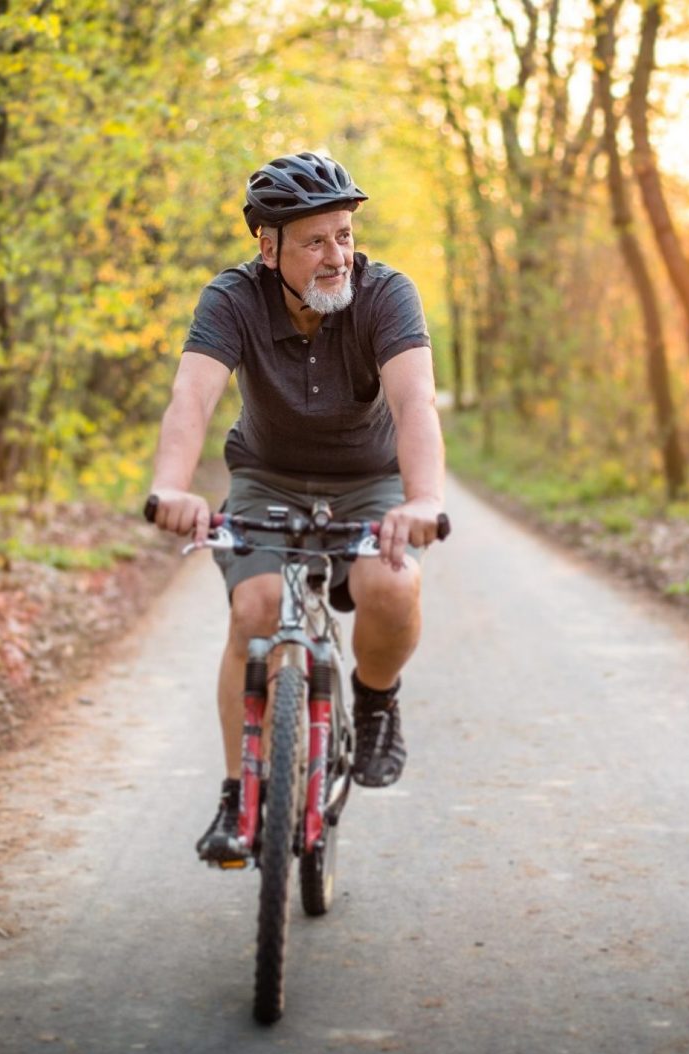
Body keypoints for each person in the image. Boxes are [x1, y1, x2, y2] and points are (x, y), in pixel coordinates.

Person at [145, 152, 447, 863]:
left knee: (392, 586)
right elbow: (192, 397)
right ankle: (237, 795)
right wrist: (171, 486)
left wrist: (425, 499)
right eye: (315, 241)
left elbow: (414, 404)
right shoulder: (232, 299)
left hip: (368, 481)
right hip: (269, 479)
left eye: (343, 234)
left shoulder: (385, 294)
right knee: (253, 613)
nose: (336, 254)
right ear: (268, 246)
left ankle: (374, 699)